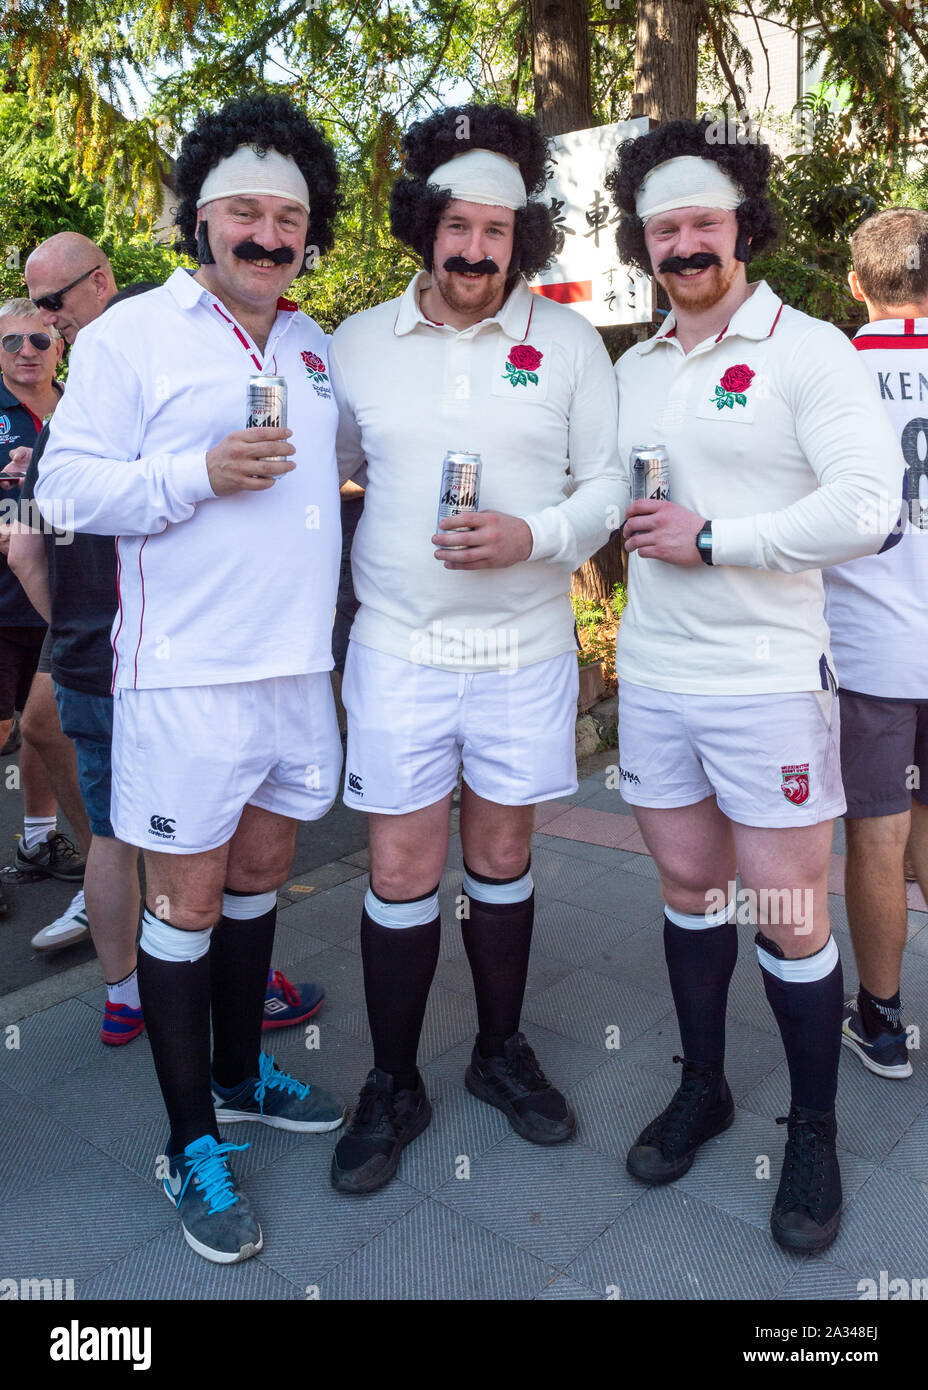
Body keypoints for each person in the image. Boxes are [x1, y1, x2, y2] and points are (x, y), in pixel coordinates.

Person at [35, 93, 345, 1263]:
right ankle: (185, 1140)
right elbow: (63, 494)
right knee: (189, 900)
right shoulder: (129, 338)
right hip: (182, 681)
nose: (268, 238)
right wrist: (196, 472)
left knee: (265, 872)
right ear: (200, 221)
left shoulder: (313, 344)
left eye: (288, 219)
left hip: (294, 674)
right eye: (245, 216)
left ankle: (236, 1076)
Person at [606, 118, 905, 1252]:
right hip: (655, 676)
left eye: (702, 223)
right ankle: (703, 1086)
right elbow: (606, 502)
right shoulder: (633, 365)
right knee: (688, 890)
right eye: (664, 227)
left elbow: (864, 509)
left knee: (785, 913)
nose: (684, 244)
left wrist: (716, 537)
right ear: (644, 240)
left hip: (770, 680)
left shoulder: (808, 348)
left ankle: (814, 1127)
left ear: (741, 226)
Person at [328, 103, 621, 1194]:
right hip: (398, 649)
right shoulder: (356, 342)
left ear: (520, 239)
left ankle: (499, 1054)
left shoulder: (570, 343)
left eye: (496, 231)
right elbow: (336, 467)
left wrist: (531, 536)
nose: (474, 249)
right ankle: (393, 1081)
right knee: (401, 868)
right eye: (456, 225)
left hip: (524, 647)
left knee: (500, 860)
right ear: (423, 224)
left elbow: (605, 483)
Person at [822, 207, 928, 1081]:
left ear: (858, 284)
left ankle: (882, 1023)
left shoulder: (832, 371)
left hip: (869, 650)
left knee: (878, 837)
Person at [0, 300, 85, 918]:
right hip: (5, 603)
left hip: (60, 603)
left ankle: (37, 839)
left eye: (38, 339)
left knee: (44, 725)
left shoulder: (83, 405)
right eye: (10, 342)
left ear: (59, 346)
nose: (26, 351)